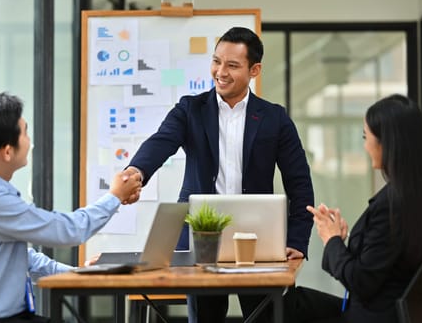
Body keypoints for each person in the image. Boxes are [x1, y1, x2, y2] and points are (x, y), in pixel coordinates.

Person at [123, 27, 314, 322]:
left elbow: (299, 183)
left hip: (257, 239)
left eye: (232, 65)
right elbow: (162, 142)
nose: (220, 72)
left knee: (263, 316)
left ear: (255, 70)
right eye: (216, 61)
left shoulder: (274, 118)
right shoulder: (190, 109)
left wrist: (298, 240)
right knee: (205, 318)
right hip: (201, 238)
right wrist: (136, 171)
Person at [0, 93, 142, 323]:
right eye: (24, 132)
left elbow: (27, 258)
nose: (29, 140)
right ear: (7, 151)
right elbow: (70, 230)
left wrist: (79, 274)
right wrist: (115, 196)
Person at [284, 94, 422, 323]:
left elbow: (360, 281)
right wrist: (341, 238)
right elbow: (381, 264)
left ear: (387, 143)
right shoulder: (418, 199)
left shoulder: (392, 206)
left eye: (365, 136)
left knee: (283, 309)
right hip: (380, 313)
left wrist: (332, 240)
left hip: (369, 316)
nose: (365, 145)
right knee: (293, 303)